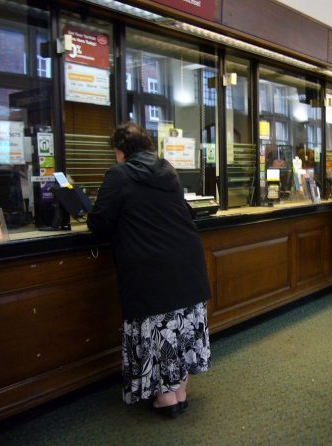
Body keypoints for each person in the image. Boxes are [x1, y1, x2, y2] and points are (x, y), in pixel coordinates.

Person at [87, 122, 211, 419]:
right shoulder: (168, 170)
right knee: (181, 327)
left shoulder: (119, 174)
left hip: (152, 269)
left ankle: (167, 398)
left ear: (120, 151)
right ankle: (179, 390)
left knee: (158, 330)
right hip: (188, 262)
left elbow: (99, 222)